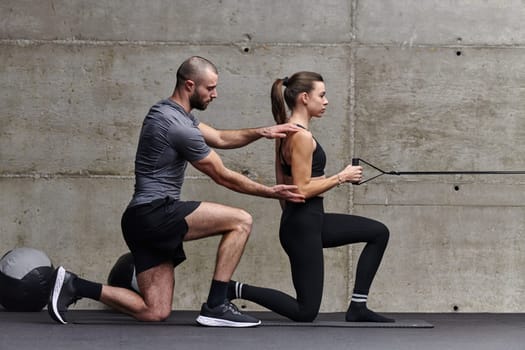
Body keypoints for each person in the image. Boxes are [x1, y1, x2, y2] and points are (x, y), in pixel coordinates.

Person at [47, 56, 305, 328]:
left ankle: (75, 285)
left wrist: (263, 131)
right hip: (155, 212)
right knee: (241, 221)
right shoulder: (179, 127)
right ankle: (217, 304)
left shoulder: (166, 112)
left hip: (139, 220)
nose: (214, 95)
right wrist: (272, 192)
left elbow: (219, 137)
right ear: (190, 85)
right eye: (210, 88)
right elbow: (222, 176)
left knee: (154, 310)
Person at [227, 71, 393, 323]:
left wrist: (297, 215)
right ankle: (231, 289)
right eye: (322, 95)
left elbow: (287, 185)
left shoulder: (286, 130)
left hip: (307, 222)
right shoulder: (302, 136)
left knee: (378, 232)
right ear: (305, 97)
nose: (326, 101)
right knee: (306, 311)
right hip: (303, 226)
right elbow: (302, 190)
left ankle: (358, 306)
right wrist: (342, 177)